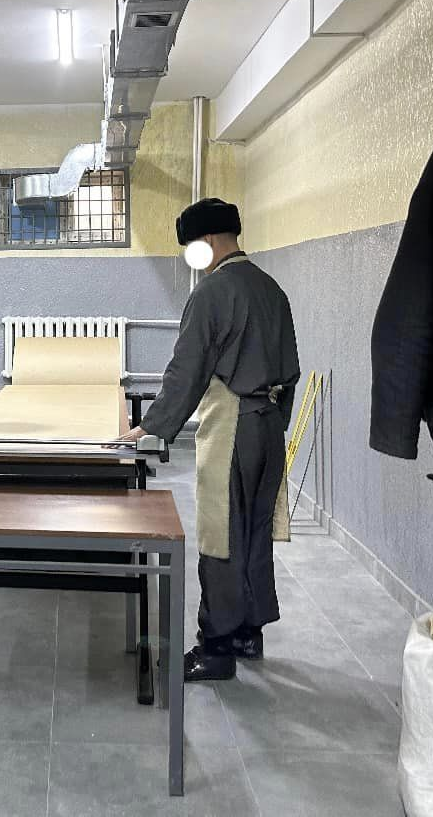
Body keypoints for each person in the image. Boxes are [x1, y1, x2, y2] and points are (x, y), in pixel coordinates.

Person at [118, 199, 299, 681]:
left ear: (209, 241)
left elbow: (188, 369)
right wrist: (274, 422)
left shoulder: (213, 292)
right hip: (269, 425)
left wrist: (152, 427)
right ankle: (248, 633)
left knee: (220, 534)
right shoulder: (272, 288)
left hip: (232, 424)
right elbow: (292, 369)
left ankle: (215, 647)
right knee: (255, 531)